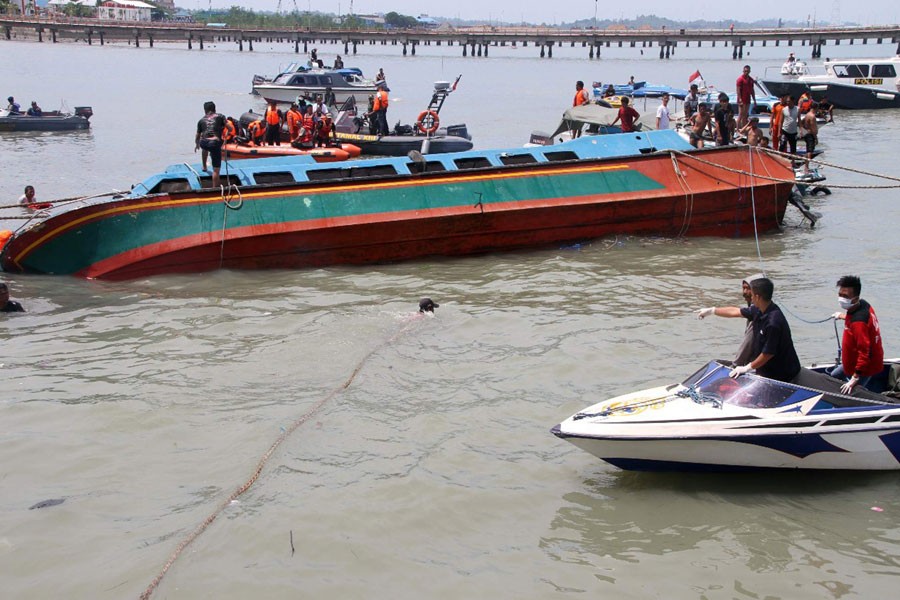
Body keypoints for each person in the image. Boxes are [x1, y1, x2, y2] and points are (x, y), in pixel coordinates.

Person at [696, 277, 801, 383]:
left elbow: (767, 354)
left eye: (752, 294)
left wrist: (747, 368)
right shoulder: (758, 310)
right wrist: (712, 311)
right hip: (764, 370)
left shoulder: (773, 322)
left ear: (758, 297)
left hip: (782, 375)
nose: (750, 297)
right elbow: (736, 312)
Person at [830, 275, 884, 393]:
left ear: (855, 299)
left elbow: (865, 353)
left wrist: (855, 377)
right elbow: (862, 322)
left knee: (854, 393)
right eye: (840, 295)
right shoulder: (863, 305)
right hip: (850, 361)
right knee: (832, 378)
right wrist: (843, 316)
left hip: (863, 367)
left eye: (845, 296)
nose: (841, 299)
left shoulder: (858, 323)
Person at [194, 101, 226, 187]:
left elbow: (197, 135)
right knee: (216, 170)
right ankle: (215, 188)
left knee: (205, 143)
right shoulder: (220, 116)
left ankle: (204, 166)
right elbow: (229, 127)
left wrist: (197, 144)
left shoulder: (201, 120)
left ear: (205, 110)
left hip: (203, 143)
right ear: (215, 109)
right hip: (214, 143)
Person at [735, 65, 756, 130]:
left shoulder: (750, 79)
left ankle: (743, 128)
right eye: (745, 71)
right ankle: (738, 129)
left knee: (745, 115)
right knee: (740, 114)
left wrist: (754, 99)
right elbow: (738, 90)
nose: (746, 72)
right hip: (742, 99)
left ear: (749, 71)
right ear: (743, 71)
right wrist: (740, 99)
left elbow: (752, 90)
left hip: (748, 99)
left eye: (747, 71)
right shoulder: (740, 79)